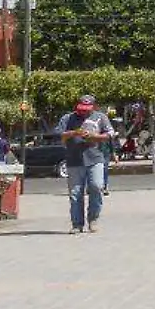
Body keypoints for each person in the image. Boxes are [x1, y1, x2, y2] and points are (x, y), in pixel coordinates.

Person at [58, 94, 116, 233]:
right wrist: (74, 133)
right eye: (81, 108)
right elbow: (60, 134)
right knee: (75, 193)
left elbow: (110, 134)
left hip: (95, 158)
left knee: (96, 187)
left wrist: (94, 137)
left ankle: (93, 219)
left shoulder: (101, 117)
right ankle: (77, 224)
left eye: (87, 109)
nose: (84, 111)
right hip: (74, 159)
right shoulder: (68, 118)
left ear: (93, 107)